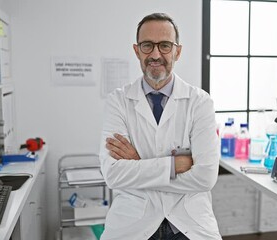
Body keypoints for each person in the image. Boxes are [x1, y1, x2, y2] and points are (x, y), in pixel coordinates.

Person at [99, 13, 221, 240]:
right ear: (137, 50)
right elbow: (113, 174)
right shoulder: (118, 101)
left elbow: (205, 177)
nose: (155, 54)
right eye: (147, 45)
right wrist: (175, 166)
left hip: (189, 222)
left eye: (165, 45)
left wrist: (138, 165)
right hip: (133, 222)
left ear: (178, 51)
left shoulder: (200, 102)